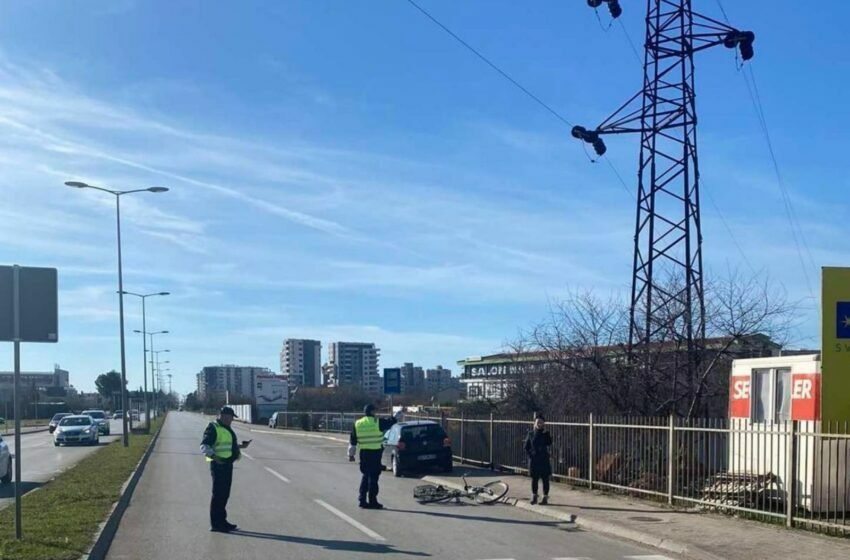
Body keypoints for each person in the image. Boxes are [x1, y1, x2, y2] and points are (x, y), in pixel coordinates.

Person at [200, 406, 251, 532]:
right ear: (223, 416)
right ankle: (216, 524)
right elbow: (204, 445)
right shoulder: (214, 427)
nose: (231, 420)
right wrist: (214, 457)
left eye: (232, 418)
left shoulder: (225, 428)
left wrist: (241, 446)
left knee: (224, 495)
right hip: (218, 465)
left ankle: (222, 521)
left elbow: (228, 446)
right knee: (218, 495)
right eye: (230, 418)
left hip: (227, 465)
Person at [348, 404, 401, 509]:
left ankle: (362, 500)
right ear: (372, 412)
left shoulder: (357, 423)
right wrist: (396, 416)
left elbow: (352, 441)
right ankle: (372, 501)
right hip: (375, 453)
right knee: (373, 477)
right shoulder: (377, 422)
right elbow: (390, 422)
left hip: (364, 453)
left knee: (365, 476)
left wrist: (351, 455)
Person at [524, 413, 552, 505]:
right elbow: (526, 447)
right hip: (534, 460)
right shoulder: (531, 434)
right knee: (534, 479)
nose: (539, 424)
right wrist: (530, 455)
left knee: (545, 479)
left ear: (544, 423)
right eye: (538, 422)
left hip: (544, 459)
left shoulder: (545, 434)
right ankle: (534, 496)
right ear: (535, 423)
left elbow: (549, 443)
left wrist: (546, 434)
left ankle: (545, 497)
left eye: (541, 422)